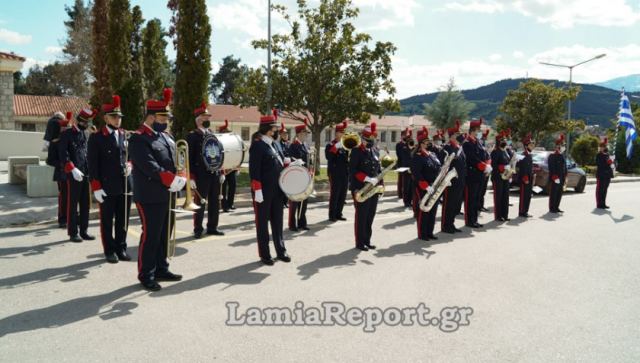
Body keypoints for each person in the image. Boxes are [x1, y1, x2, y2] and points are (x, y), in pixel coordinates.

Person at [128, 88, 185, 291]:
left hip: (167, 192)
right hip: (150, 195)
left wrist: (181, 176)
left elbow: (175, 160)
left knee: (163, 234)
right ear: (151, 117)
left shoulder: (164, 136)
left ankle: (162, 268)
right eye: (163, 117)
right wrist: (171, 180)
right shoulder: (138, 138)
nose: (166, 120)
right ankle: (146, 274)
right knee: (151, 235)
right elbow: (149, 165)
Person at [88, 95, 132, 263]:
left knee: (123, 219)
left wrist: (130, 165)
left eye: (119, 117)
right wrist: (96, 187)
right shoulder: (97, 138)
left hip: (124, 184)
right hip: (106, 185)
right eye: (114, 116)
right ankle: (109, 250)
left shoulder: (124, 135)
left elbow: (129, 156)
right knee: (107, 220)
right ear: (106, 118)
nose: (117, 120)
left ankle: (121, 247)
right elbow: (92, 165)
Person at [249, 114, 292, 265]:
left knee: (278, 221)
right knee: (262, 223)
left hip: (277, 190)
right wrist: (257, 189)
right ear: (267, 129)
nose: (276, 130)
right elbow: (254, 170)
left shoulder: (276, 144)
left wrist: (288, 163)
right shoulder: (258, 144)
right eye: (274, 127)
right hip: (264, 191)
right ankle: (265, 254)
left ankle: (281, 250)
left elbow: (279, 164)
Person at [187, 102, 224, 238]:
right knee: (200, 203)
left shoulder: (212, 134)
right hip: (201, 175)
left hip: (214, 173)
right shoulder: (192, 136)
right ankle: (198, 228)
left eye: (208, 117)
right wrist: (190, 177)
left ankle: (212, 227)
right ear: (198, 119)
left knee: (215, 201)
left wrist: (222, 171)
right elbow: (189, 158)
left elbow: (218, 154)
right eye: (204, 117)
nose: (208, 119)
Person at [59, 111, 95, 242]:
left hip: (85, 173)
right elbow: (63, 154)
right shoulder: (67, 134)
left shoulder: (84, 134)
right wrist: (72, 168)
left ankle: (84, 230)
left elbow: (85, 153)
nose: (86, 124)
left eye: (87, 122)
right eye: (84, 122)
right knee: (72, 204)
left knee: (85, 204)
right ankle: (73, 232)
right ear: (79, 121)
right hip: (73, 174)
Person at [349, 122, 381, 251]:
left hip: (373, 188)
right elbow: (353, 170)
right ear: (363, 138)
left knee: (370, 215)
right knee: (361, 215)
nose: (371, 142)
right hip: (360, 187)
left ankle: (367, 240)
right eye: (369, 139)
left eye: (373, 139)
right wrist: (367, 179)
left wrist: (380, 185)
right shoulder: (356, 151)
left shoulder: (375, 151)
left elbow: (378, 170)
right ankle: (360, 242)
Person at [413, 127, 441, 241]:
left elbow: (438, 168)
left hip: (434, 185)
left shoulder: (432, 154)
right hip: (424, 187)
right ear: (421, 144)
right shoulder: (418, 156)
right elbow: (417, 174)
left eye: (429, 142)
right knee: (424, 210)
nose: (429, 144)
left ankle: (430, 232)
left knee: (433, 209)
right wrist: (426, 186)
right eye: (426, 142)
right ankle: (422, 233)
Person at [463, 118, 492, 228]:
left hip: (480, 175)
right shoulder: (467, 143)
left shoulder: (478, 142)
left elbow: (484, 155)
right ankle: (469, 221)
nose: (479, 132)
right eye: (477, 130)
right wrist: (484, 166)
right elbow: (471, 159)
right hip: (472, 175)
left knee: (476, 199)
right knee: (470, 199)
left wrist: (488, 164)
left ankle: (474, 220)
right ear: (472, 131)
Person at [43, 111, 69, 229]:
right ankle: (62, 219)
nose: (64, 128)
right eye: (62, 126)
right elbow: (49, 160)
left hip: (73, 173)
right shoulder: (54, 142)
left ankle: (72, 217)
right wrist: (62, 164)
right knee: (63, 197)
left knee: (73, 197)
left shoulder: (69, 139)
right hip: (62, 173)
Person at [441, 121, 466, 233]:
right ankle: (446, 226)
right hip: (450, 180)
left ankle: (451, 223)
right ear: (451, 136)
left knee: (455, 204)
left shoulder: (459, 147)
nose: (459, 136)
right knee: (448, 204)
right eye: (457, 134)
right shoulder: (447, 147)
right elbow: (444, 164)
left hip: (459, 179)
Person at [288, 120, 311, 231]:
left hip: (305, 176)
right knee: (294, 202)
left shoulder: (305, 145)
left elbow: (307, 160)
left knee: (304, 201)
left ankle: (302, 222)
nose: (306, 135)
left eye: (306, 133)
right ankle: (292, 224)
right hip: (296, 177)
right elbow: (290, 159)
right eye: (304, 133)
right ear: (299, 134)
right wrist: (297, 161)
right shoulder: (293, 146)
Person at [325, 120, 349, 222]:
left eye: (344, 133)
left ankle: (339, 213)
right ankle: (332, 215)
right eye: (341, 132)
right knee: (335, 194)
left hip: (344, 172)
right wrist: (336, 147)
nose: (343, 134)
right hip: (334, 173)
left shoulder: (345, 145)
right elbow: (328, 156)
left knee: (343, 194)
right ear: (337, 133)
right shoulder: (330, 144)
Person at [490, 131, 511, 222]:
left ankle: (505, 215)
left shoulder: (505, 151)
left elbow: (508, 162)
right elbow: (493, 165)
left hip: (506, 176)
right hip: (498, 177)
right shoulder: (495, 152)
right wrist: (502, 167)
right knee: (498, 197)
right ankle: (498, 216)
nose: (505, 141)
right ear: (499, 141)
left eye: (505, 139)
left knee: (505, 196)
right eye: (503, 139)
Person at [218, 120, 238, 212]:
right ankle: (224, 205)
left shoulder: (231, 142)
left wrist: (236, 166)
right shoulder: (218, 142)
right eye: (226, 132)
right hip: (222, 168)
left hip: (231, 168)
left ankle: (230, 203)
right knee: (223, 188)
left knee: (232, 186)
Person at [548, 134, 567, 214]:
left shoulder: (561, 156)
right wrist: (555, 177)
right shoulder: (553, 156)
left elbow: (564, 168)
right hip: (555, 178)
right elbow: (552, 168)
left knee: (559, 193)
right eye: (562, 145)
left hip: (561, 177)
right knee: (554, 193)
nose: (563, 147)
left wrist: (565, 177)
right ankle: (552, 208)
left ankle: (557, 206)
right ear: (558, 146)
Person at [517, 133, 535, 218]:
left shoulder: (529, 155)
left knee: (528, 195)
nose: (532, 146)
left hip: (529, 178)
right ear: (526, 146)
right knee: (524, 195)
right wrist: (525, 177)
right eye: (531, 145)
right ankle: (521, 211)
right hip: (525, 178)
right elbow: (522, 168)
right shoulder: (523, 155)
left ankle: (526, 211)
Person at [595, 137, 614, 209]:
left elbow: (610, 164)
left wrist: (612, 163)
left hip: (607, 175)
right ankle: (599, 204)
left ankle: (603, 203)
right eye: (601, 147)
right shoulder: (599, 155)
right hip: (601, 175)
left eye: (603, 147)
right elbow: (599, 164)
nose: (602, 148)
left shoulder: (607, 155)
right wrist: (607, 162)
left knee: (605, 190)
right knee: (600, 190)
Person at [397, 128, 414, 208]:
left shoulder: (410, 146)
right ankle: (406, 201)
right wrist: (407, 146)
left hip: (411, 168)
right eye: (405, 136)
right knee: (405, 185)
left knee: (411, 186)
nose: (407, 138)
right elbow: (400, 156)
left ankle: (410, 200)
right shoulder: (400, 146)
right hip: (404, 167)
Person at [478, 128, 491, 213]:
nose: (484, 140)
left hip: (487, 171)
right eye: (483, 139)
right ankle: (478, 205)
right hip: (482, 171)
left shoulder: (486, 149)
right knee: (480, 191)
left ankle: (481, 205)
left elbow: (488, 159)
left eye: (485, 139)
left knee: (483, 191)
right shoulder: (480, 149)